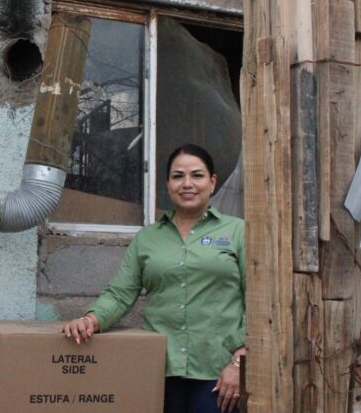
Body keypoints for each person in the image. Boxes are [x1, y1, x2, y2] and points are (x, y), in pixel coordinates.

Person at [61, 144, 246, 413]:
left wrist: (240, 362)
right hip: (160, 370)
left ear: (212, 181)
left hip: (219, 371)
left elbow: (257, 301)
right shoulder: (148, 238)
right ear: (168, 183)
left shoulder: (237, 231)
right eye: (178, 176)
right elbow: (120, 293)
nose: (187, 184)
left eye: (197, 175)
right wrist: (91, 319)